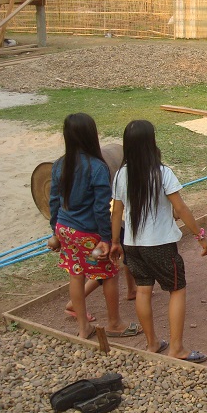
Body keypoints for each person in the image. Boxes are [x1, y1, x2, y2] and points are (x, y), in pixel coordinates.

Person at [109, 120, 207, 362]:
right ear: (151, 143)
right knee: (176, 289)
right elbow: (181, 208)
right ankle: (177, 347)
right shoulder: (162, 173)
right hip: (160, 245)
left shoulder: (121, 175)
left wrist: (115, 241)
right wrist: (200, 235)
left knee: (144, 290)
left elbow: (116, 212)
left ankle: (152, 342)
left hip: (132, 244)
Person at [48, 113, 136, 340]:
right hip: (89, 233)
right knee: (108, 275)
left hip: (65, 230)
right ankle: (115, 323)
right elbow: (100, 208)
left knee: (76, 275)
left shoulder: (59, 164)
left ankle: (82, 326)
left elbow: (54, 201)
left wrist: (55, 232)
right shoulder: (97, 167)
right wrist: (107, 239)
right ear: (91, 135)